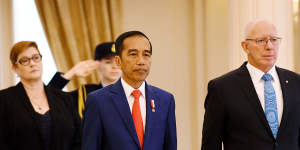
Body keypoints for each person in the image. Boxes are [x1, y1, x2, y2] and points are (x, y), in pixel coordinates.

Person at [201, 20, 300, 150]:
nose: (269, 46)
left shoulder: (296, 82)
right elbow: (210, 145)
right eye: (261, 41)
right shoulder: (222, 88)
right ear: (245, 46)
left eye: (274, 40)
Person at [82, 31, 177, 150]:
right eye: (133, 54)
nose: (141, 61)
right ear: (118, 61)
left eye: (146, 55)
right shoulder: (98, 100)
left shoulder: (165, 100)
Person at [0, 41, 81, 150]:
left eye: (36, 57)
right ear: (15, 68)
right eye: (24, 60)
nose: (32, 63)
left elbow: (79, 138)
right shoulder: (4, 99)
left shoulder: (64, 98)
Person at [48, 42, 122, 118]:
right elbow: (49, 98)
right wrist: (71, 73)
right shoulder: (86, 93)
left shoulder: (133, 92)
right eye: (108, 62)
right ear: (97, 65)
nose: (115, 66)